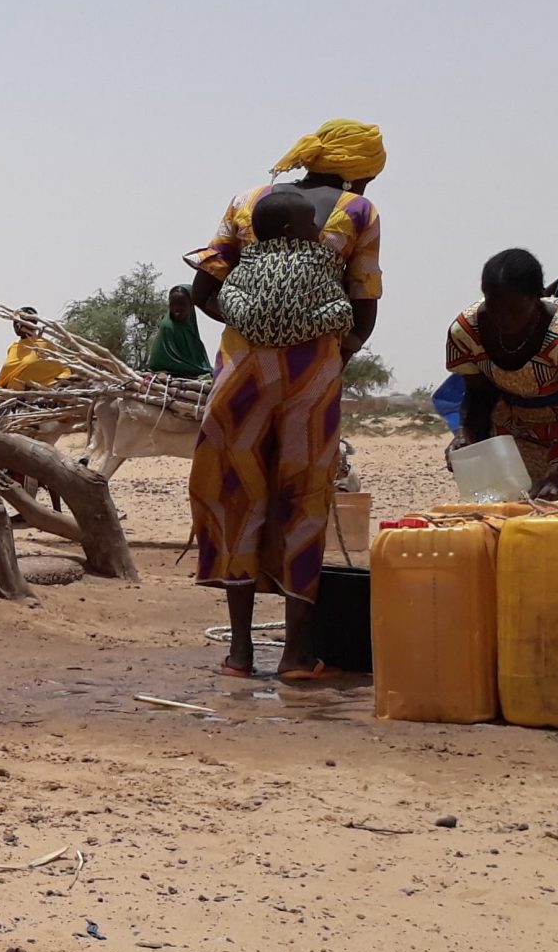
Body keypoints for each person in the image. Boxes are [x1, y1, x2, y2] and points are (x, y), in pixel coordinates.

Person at [183, 118, 387, 680]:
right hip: (312, 377)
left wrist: (258, 325)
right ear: (358, 168)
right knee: (305, 499)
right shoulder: (359, 213)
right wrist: (321, 352)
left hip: (239, 376)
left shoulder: (247, 202)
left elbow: (205, 290)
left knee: (235, 494)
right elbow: (363, 306)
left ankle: (240, 654)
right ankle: (297, 655)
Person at [445, 248, 558, 500]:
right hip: (512, 423)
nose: (503, 320)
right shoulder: (466, 332)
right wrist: (464, 436)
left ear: (537, 298)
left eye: (515, 311)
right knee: (508, 509)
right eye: (494, 309)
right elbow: (478, 396)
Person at [211, 190, 357, 348]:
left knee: (228, 291)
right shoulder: (317, 255)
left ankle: (220, 305)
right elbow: (333, 273)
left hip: (251, 324)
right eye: (312, 223)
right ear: (289, 231)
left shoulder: (252, 255)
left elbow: (235, 281)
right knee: (343, 309)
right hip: (302, 325)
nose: (318, 229)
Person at [147, 285, 214, 379]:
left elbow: (201, 363)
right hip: (170, 376)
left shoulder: (190, 328)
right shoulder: (168, 327)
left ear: (191, 305)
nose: (176, 309)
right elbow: (163, 363)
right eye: (173, 304)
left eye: (181, 304)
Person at [0, 309, 71, 390]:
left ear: (33, 323)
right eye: (15, 322)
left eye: (21, 321)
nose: (17, 325)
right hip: (12, 396)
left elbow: (63, 370)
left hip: (38, 396)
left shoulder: (45, 345)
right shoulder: (13, 348)